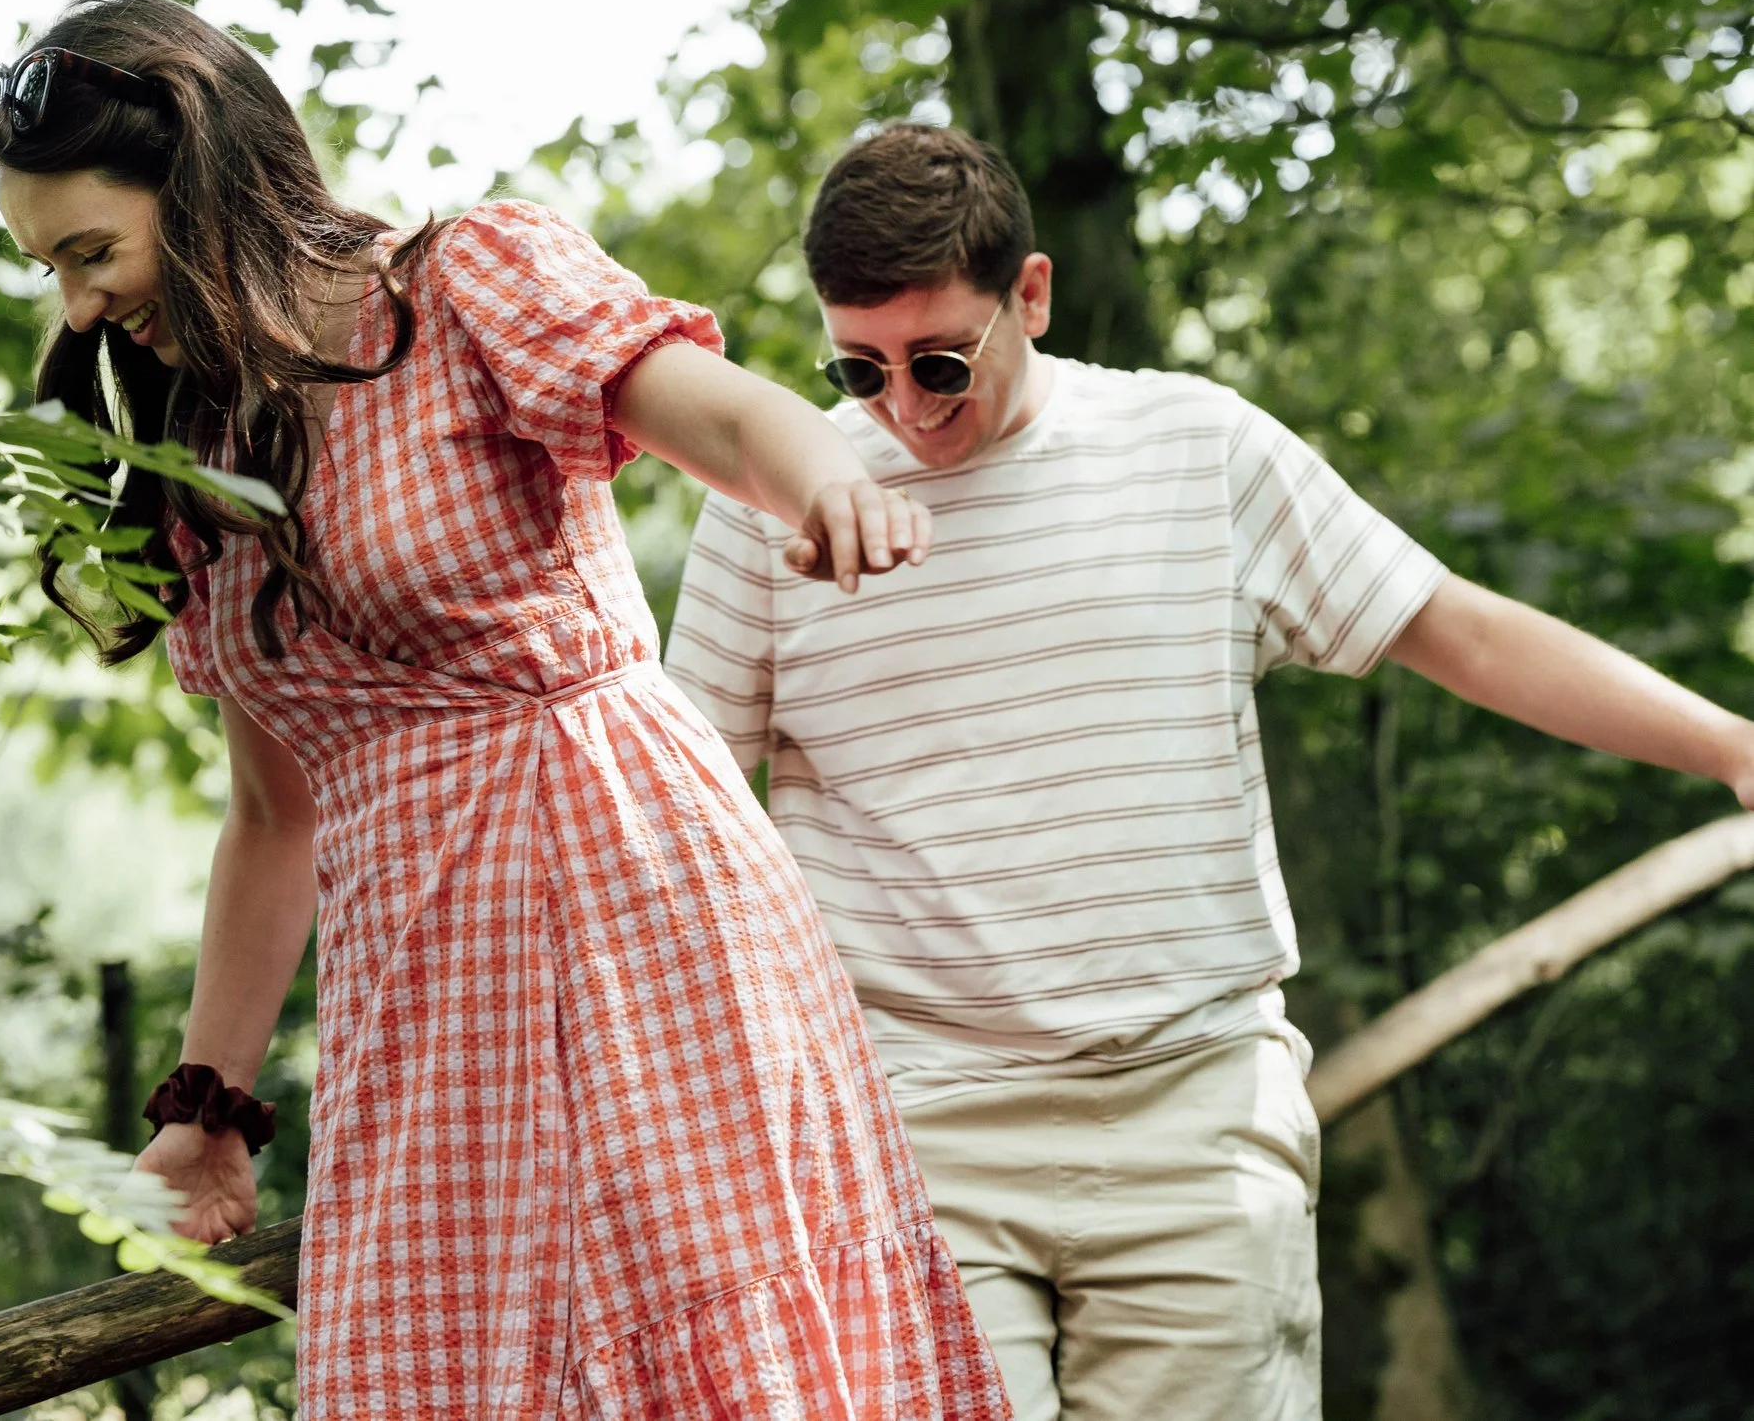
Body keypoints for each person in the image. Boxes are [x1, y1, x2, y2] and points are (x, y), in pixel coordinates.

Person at [0, 0, 1011, 1419]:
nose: (80, 306)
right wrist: (207, 1109)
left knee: (707, 1346)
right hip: (423, 978)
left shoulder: (460, 283)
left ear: (202, 185)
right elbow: (275, 815)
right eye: (53, 270)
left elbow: (702, 405)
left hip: (635, 907)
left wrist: (821, 476)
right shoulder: (203, 450)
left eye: (92, 253)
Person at [664, 123, 1754, 1421]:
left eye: (942, 359)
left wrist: (1735, 746)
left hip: (1192, 1130)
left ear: (1034, 295)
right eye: (860, 368)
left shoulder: (1197, 450)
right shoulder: (764, 504)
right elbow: (684, 814)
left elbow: (1453, 626)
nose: (904, 406)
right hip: (912, 1129)